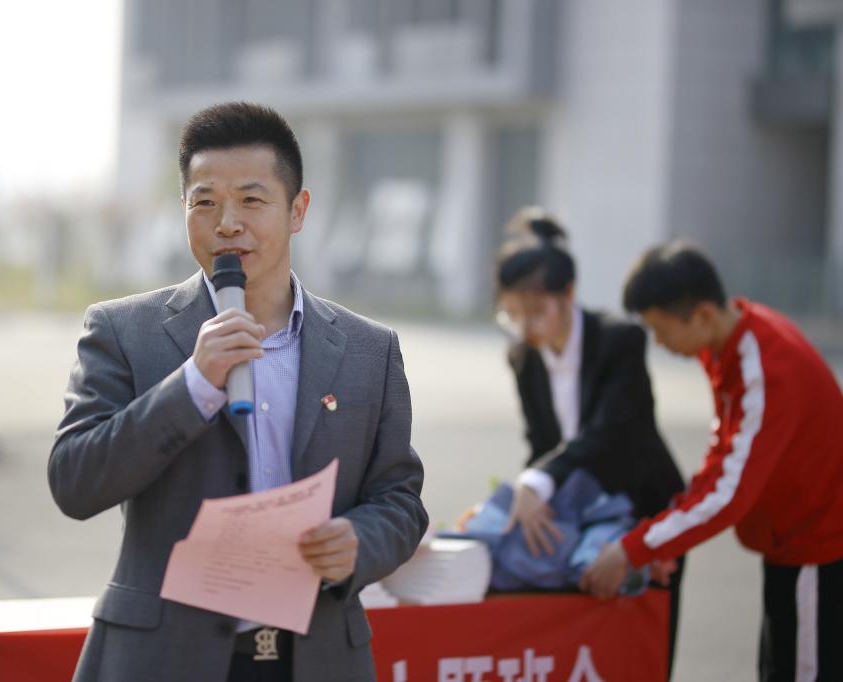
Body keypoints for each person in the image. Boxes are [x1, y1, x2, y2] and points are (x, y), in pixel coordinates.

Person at [48, 101, 427, 682]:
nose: (227, 223)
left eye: (252, 200)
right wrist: (193, 384)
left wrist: (361, 540)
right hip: (165, 660)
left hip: (316, 659)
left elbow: (399, 498)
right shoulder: (124, 331)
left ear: (298, 210)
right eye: (205, 202)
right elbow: (74, 481)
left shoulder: (368, 350)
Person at [582, 242, 843, 681]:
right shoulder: (730, 344)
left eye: (660, 329)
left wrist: (634, 549)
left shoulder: (765, 369)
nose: (659, 344)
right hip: (792, 547)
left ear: (702, 315)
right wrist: (666, 535)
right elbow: (724, 457)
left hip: (818, 549)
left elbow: (729, 494)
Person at [493, 208, 686, 676]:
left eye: (536, 312)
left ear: (569, 294)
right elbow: (541, 444)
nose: (527, 327)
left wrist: (537, 481)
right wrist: (518, 499)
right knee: (583, 645)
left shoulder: (620, 342)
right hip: (580, 516)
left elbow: (609, 434)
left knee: (644, 647)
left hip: (644, 507)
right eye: (513, 315)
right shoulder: (524, 358)